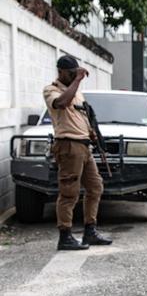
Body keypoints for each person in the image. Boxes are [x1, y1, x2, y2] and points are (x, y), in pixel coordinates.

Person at [43, 55, 112, 250]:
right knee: (69, 192)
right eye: (71, 73)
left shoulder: (77, 93)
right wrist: (77, 80)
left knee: (95, 187)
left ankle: (90, 231)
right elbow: (62, 103)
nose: (75, 76)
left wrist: (93, 134)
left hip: (84, 145)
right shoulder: (51, 90)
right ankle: (65, 236)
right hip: (68, 145)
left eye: (76, 72)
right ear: (61, 72)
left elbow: (82, 116)